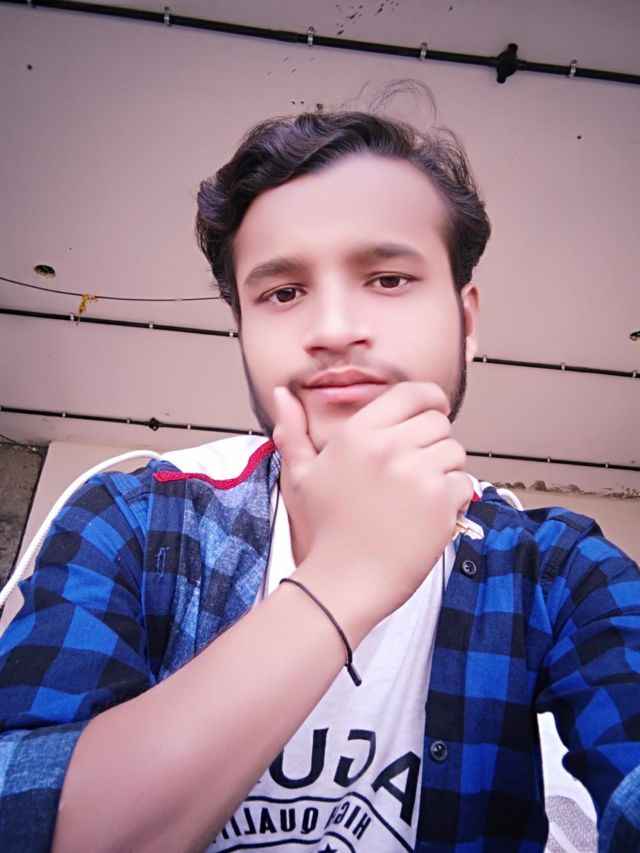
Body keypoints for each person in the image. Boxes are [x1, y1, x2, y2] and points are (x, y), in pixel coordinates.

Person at [1, 107, 639, 853]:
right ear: (242, 332)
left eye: (389, 278)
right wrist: (340, 582)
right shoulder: (132, 522)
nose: (334, 328)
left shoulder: (559, 571)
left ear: (467, 321)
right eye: (283, 292)